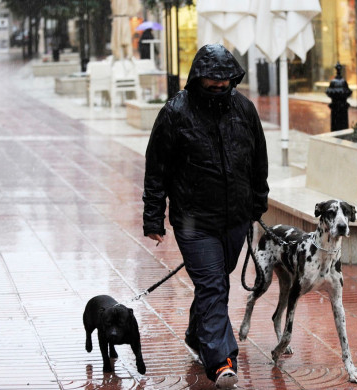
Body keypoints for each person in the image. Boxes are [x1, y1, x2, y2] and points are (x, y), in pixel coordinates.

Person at [142, 44, 269, 389]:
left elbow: (258, 160)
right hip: (194, 221)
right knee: (213, 284)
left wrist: (258, 203)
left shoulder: (244, 109)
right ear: (198, 77)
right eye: (211, 79)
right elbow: (156, 169)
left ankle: (197, 335)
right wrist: (153, 217)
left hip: (235, 218)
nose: (218, 85)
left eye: (224, 79)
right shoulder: (175, 113)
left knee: (214, 282)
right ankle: (222, 361)